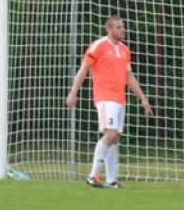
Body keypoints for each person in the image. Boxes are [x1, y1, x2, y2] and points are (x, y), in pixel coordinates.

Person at [66, 15, 153, 188]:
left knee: (115, 138)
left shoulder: (124, 50)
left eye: (123, 27)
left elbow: (129, 76)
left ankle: (112, 180)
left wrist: (143, 98)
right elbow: (83, 70)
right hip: (105, 97)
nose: (123, 30)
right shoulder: (98, 46)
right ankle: (93, 175)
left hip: (120, 98)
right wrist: (73, 92)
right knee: (110, 134)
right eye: (119, 27)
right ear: (109, 29)